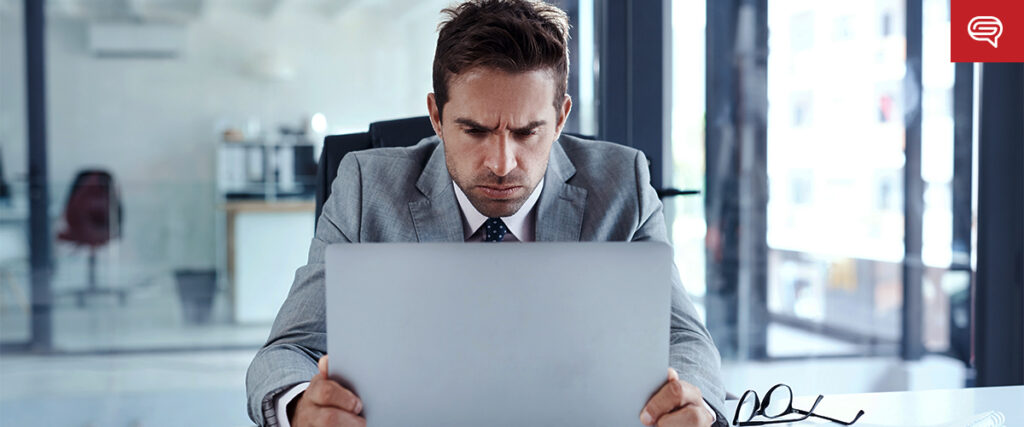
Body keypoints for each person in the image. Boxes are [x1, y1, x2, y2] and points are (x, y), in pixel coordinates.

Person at [246, 1, 726, 426]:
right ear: (436, 116)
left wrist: (692, 403)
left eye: (526, 132)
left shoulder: (623, 185)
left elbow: (685, 337)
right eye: (474, 130)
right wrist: (299, 406)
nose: (501, 163)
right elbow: (288, 350)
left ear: (560, 118)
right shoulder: (365, 187)